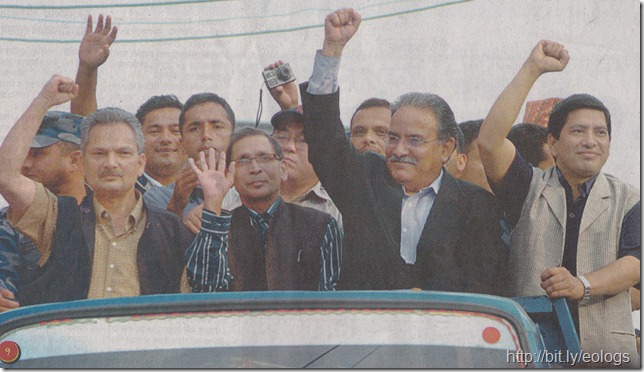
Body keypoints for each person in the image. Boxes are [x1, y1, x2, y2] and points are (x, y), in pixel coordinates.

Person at [299, 9, 507, 293]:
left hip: (444, 331)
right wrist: (332, 51)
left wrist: (423, 299)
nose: (399, 150)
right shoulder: (366, 179)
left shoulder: (477, 205)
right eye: (393, 137)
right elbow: (325, 143)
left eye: (414, 140)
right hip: (365, 331)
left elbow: (484, 277)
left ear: (446, 148)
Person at [477, 40, 639, 364]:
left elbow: (636, 263)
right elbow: (490, 141)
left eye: (601, 132)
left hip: (608, 356)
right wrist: (533, 69)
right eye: (578, 131)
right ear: (553, 143)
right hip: (532, 350)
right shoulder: (526, 186)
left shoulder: (629, 199)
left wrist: (583, 285)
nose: (590, 141)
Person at [0, 75, 220, 306]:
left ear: (140, 164)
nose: (111, 163)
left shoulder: (171, 229)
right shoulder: (59, 217)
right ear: (82, 163)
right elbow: (6, 175)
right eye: (99, 154)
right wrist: (42, 101)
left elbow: (190, 306)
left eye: (123, 153)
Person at [184, 129, 342, 291]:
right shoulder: (217, 227)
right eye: (243, 161)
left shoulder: (321, 225)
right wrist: (213, 201)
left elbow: (330, 297)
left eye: (265, 158)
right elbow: (205, 291)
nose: (255, 168)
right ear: (229, 173)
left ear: (283, 169)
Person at [0, 111, 87, 311]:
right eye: (24, 154)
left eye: (38, 154)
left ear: (74, 160)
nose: (25, 164)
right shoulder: (7, 222)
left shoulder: (105, 215)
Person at [143, 92, 241, 232]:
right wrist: (176, 207)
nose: (206, 135)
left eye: (217, 126)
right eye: (194, 128)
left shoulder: (249, 187)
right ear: (182, 144)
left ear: (233, 138)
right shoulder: (157, 197)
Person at [263, 60, 342, 229]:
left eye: (303, 140)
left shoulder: (338, 208)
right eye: (282, 136)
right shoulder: (241, 193)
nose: (289, 147)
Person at [134, 95, 186, 191]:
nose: (165, 138)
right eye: (154, 131)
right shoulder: (124, 192)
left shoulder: (205, 190)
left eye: (175, 130)